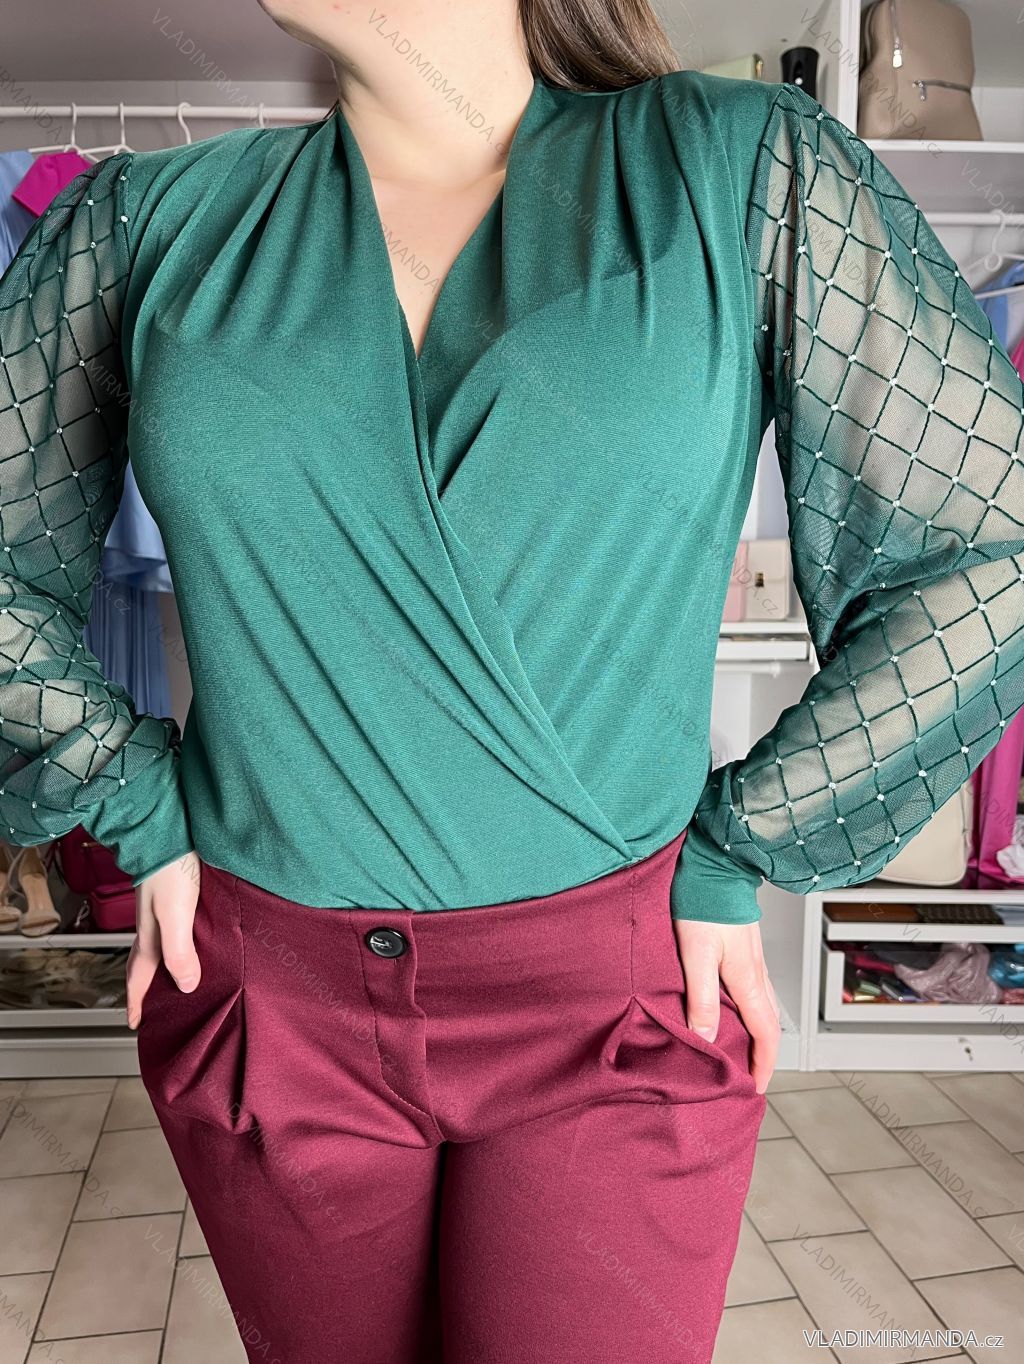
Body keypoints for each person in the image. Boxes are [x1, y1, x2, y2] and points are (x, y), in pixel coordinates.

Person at [1, 1, 1022, 1359]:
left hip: (616, 1004)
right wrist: (125, 792)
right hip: (268, 998)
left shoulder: (740, 169)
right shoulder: (145, 226)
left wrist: (752, 839)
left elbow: (983, 554)